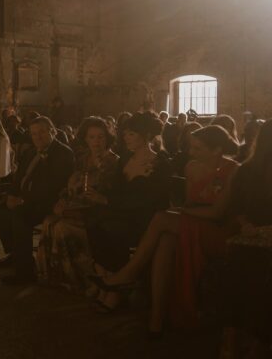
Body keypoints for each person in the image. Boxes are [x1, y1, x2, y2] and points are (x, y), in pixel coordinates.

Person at [90, 125, 240, 336]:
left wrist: (183, 214)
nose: (191, 152)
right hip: (194, 223)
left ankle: (128, 273)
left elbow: (217, 213)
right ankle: (157, 320)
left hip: (218, 231)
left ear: (216, 150)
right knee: (165, 240)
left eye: (198, 148)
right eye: (191, 147)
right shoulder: (191, 167)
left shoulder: (233, 170)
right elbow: (190, 204)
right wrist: (183, 212)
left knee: (161, 218)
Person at [85, 111, 172, 313]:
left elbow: (148, 200)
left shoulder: (160, 164)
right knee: (93, 221)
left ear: (146, 135)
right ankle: (108, 280)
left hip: (146, 219)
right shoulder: (125, 159)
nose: (125, 138)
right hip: (122, 212)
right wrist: (98, 192)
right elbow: (116, 190)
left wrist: (107, 200)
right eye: (125, 134)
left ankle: (113, 290)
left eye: (131, 134)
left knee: (110, 227)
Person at [36, 117, 119, 294]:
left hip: (98, 211)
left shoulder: (112, 161)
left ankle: (84, 280)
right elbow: (70, 185)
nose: (96, 142)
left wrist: (98, 176)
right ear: (85, 139)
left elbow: (110, 193)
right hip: (77, 206)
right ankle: (57, 277)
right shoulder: (82, 159)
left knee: (62, 228)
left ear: (107, 138)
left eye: (100, 137)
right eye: (92, 137)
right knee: (49, 222)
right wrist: (63, 199)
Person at [0, 116, 74, 284]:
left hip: (48, 201)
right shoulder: (30, 152)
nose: (38, 137)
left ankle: (25, 272)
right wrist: (12, 195)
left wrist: (23, 200)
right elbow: (19, 177)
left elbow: (54, 185)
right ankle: (16, 253)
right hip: (26, 199)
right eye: (34, 134)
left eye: (42, 132)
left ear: (52, 131)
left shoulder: (63, 153)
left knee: (20, 215)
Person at [218, 120, 272, 356]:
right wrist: (246, 224)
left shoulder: (247, 170)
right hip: (251, 238)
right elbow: (235, 207)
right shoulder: (247, 171)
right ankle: (236, 334)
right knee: (244, 269)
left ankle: (254, 337)